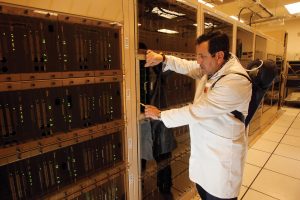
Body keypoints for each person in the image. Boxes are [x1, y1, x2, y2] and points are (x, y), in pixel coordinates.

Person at [144, 31, 252, 200]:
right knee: (204, 193)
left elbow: (198, 111)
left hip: (221, 163)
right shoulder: (216, 66)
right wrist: (163, 59)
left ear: (219, 56)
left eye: (202, 56)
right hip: (206, 157)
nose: (198, 61)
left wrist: (160, 115)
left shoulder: (234, 82)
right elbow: (189, 66)